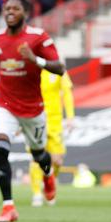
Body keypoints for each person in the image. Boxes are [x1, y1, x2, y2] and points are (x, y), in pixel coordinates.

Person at [0, 0, 65, 222]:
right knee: (1, 149)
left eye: (15, 9)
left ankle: (48, 176)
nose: (10, 12)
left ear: (26, 13)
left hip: (32, 108)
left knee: (39, 155)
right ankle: (8, 206)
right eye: (7, 9)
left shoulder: (38, 37)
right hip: (4, 105)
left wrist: (34, 59)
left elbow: (60, 68)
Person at [30, 67, 74, 207]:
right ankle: (37, 193)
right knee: (36, 157)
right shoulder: (32, 68)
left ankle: (48, 183)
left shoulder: (57, 68)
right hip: (35, 119)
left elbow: (67, 92)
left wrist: (70, 116)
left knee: (57, 160)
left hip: (55, 122)